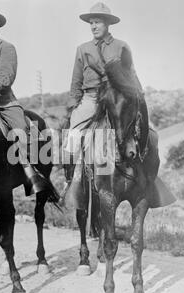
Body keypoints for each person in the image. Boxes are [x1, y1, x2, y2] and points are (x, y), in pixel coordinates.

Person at [0, 4, 49, 195]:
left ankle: (31, 173)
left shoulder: (6, 47)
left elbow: (7, 76)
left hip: (2, 103)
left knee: (21, 130)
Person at [64, 2, 144, 183]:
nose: (93, 26)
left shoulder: (121, 46)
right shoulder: (83, 49)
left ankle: (146, 173)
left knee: (141, 128)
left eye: (98, 22)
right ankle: (70, 179)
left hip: (117, 97)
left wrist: (139, 94)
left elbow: (132, 74)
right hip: (91, 98)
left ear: (107, 24)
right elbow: (76, 82)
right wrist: (72, 108)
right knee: (73, 134)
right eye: (91, 22)